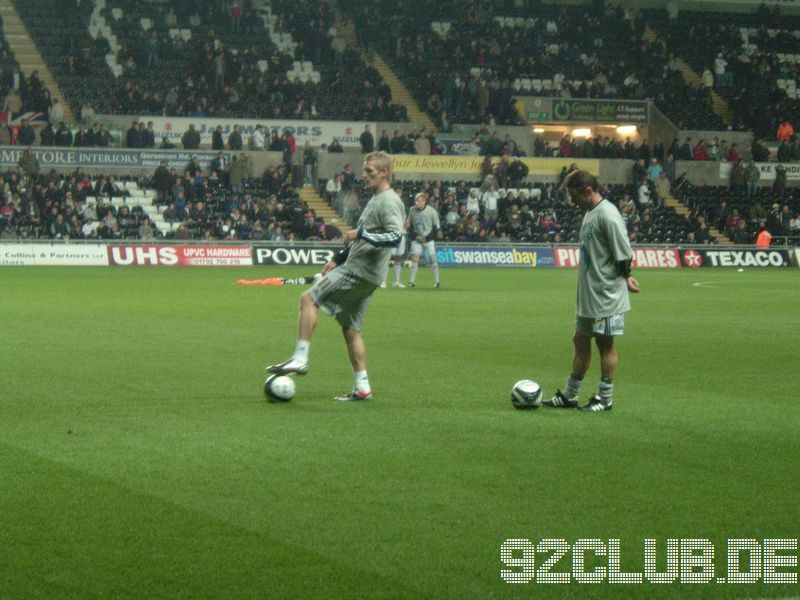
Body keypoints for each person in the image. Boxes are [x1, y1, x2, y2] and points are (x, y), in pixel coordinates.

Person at [266, 151, 405, 402]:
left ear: (385, 172)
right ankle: (363, 388)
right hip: (366, 273)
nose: (364, 176)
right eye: (364, 171)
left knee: (308, 298)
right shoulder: (376, 199)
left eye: (369, 171)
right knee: (351, 329)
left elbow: (396, 237)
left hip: (360, 271)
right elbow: (368, 237)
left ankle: (300, 358)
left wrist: (359, 235)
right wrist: (339, 258)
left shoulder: (389, 201)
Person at [543, 170, 640, 412]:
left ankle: (604, 398)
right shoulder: (590, 213)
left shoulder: (608, 215)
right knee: (580, 340)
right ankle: (570, 395)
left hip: (606, 294)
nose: (571, 200)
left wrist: (626, 277)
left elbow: (624, 253)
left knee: (605, 344)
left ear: (587, 190)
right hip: (589, 294)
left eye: (573, 194)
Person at [406, 192, 441, 288]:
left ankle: (437, 281)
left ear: (424, 201)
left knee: (432, 259)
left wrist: (430, 236)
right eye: (416, 201)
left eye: (419, 201)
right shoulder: (412, 210)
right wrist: (412, 233)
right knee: (415, 258)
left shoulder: (431, 211)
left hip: (428, 238)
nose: (417, 203)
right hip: (417, 238)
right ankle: (411, 282)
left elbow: (436, 225)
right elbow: (409, 223)